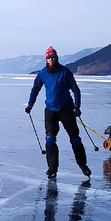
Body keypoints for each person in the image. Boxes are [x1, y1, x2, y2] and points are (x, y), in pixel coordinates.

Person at [25, 46, 91, 179]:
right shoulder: (42, 73)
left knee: (75, 140)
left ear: (56, 57)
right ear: (46, 59)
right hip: (50, 111)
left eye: (53, 57)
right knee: (50, 139)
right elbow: (35, 89)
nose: (51, 59)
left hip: (66, 110)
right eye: (48, 57)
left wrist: (77, 106)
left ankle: (83, 165)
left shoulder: (65, 72)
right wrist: (30, 105)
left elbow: (75, 90)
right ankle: (52, 169)